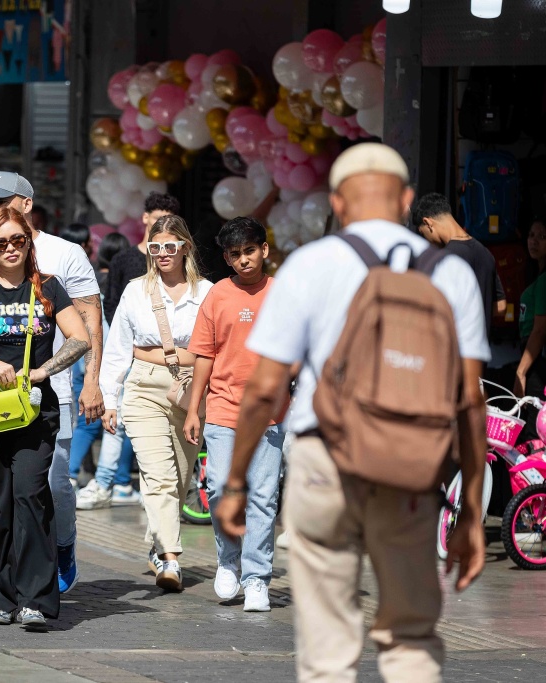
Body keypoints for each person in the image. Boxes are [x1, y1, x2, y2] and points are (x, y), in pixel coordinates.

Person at [214, 143, 489, 681]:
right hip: (410, 465)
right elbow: (469, 401)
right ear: (407, 199)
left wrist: (236, 481)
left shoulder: (309, 266)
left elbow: (267, 386)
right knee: (410, 635)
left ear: (337, 203)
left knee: (328, 642)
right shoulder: (449, 271)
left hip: (326, 459)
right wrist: (472, 510)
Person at [0, 171, 105, 595]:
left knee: (41, 492)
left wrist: (88, 381)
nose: (9, 246)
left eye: (3, 201)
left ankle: (45, 578)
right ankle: (0, 594)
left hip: (44, 401)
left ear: (27, 209)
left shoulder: (60, 264)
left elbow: (87, 326)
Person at [101, 215, 212, 592]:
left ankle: (157, 544)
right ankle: (170, 560)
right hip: (144, 388)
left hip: (192, 390)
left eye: (169, 246)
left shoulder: (208, 292)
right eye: (154, 247)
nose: (162, 254)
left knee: (179, 483)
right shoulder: (136, 290)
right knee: (159, 477)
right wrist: (109, 399)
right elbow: (117, 347)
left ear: (185, 248)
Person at [182, 217, 285, 612]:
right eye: (234, 254)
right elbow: (204, 356)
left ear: (264, 250)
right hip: (223, 409)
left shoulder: (282, 294)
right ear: (226, 257)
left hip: (271, 414)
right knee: (223, 490)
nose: (243, 260)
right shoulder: (218, 296)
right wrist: (194, 408)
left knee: (263, 497)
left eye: (249, 251)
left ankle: (256, 577)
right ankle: (228, 563)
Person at [71, 232, 141, 509]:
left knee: (89, 423)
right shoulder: (123, 294)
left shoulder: (88, 283)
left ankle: (73, 475)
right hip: (112, 364)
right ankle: (118, 482)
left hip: (83, 362)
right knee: (118, 424)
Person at [412, 192, 507, 337]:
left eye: (423, 234)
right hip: (479, 354)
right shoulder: (486, 253)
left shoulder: (445, 259)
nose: (427, 241)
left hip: (452, 352)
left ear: (428, 223)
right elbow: (501, 307)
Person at [104, 192, 181, 324]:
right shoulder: (123, 259)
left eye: (169, 220)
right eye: (158, 219)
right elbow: (111, 303)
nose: (163, 225)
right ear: (145, 217)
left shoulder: (179, 258)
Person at [513, 219, 546, 400]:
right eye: (531, 235)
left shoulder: (544, 280)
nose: (534, 241)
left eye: (542, 237)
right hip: (532, 355)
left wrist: (521, 372)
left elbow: (540, 330)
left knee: (535, 424)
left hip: (537, 357)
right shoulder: (536, 275)